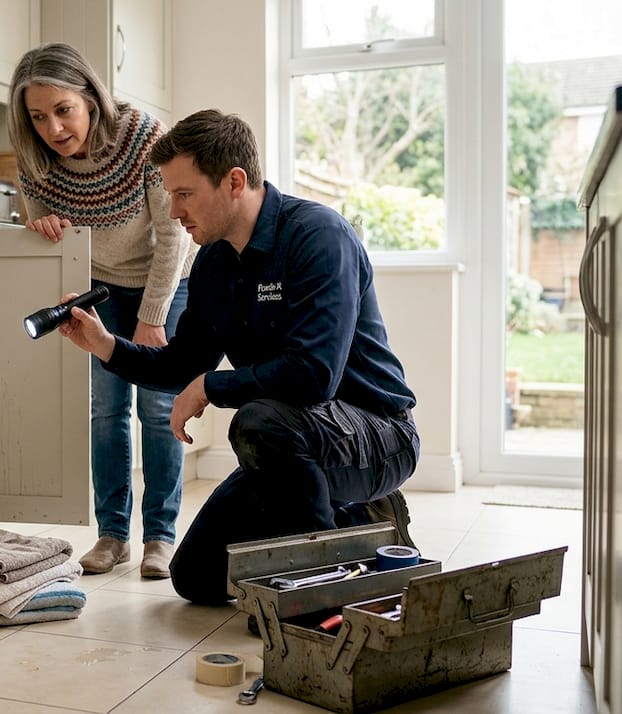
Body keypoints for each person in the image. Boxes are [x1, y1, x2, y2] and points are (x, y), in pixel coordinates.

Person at [55, 109, 420, 605]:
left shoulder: (318, 236)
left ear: (234, 181)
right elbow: (181, 364)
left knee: (258, 421)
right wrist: (106, 345)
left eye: (185, 194)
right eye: (171, 195)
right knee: (196, 577)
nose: (174, 211)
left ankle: (321, 588)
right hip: (288, 441)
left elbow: (315, 376)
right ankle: (358, 520)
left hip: (377, 434)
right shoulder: (214, 262)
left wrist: (212, 387)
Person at [7, 43, 197, 579]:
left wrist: (152, 315)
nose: (52, 128)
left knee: (158, 411)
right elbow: (52, 235)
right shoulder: (35, 158)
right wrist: (42, 226)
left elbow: (174, 236)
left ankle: (160, 538)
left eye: (63, 110)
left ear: (90, 97)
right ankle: (112, 535)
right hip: (100, 289)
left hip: (166, 280)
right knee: (106, 411)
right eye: (37, 116)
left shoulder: (143, 138)